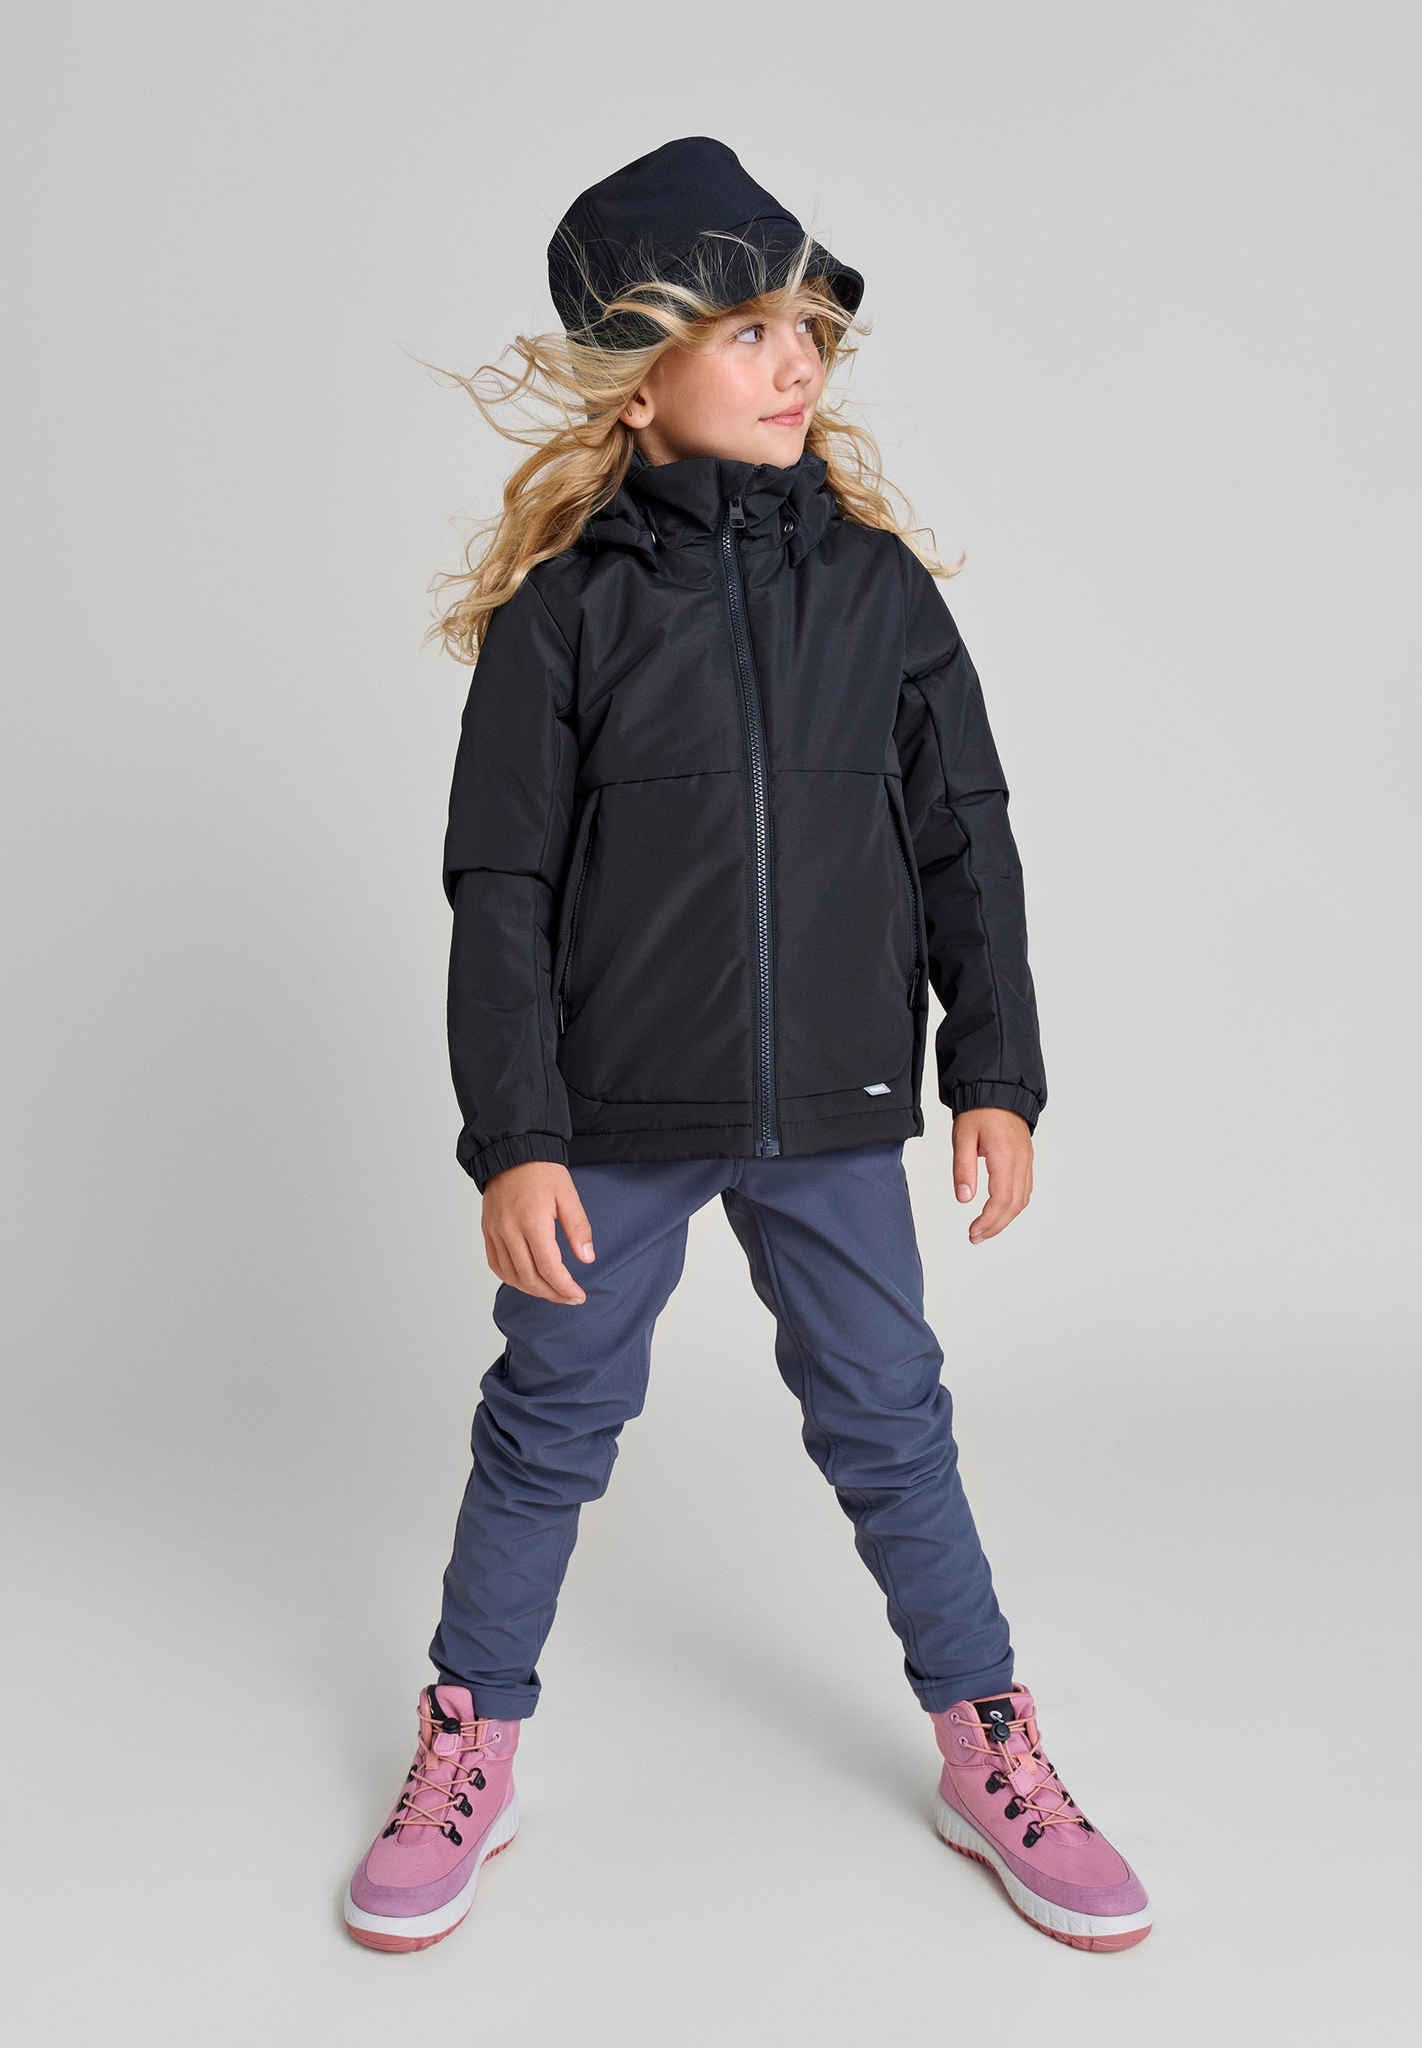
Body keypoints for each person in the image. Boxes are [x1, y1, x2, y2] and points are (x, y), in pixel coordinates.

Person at [343, 136, 1151, 1956]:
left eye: (807, 329)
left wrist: (994, 1075)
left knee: (890, 1424)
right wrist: (515, 1136)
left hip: (835, 1111)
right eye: (747, 330)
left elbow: (964, 840)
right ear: (641, 380)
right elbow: (497, 888)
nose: (796, 362)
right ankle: (471, 1736)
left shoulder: (879, 596)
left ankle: (986, 1742)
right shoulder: (564, 617)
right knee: (549, 1423)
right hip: (613, 1117)